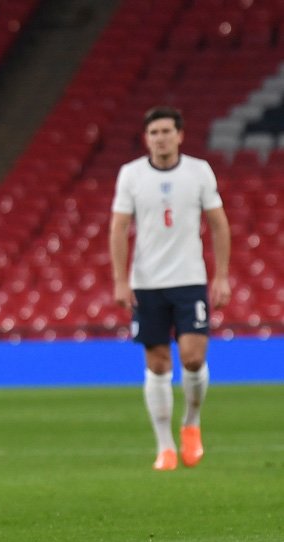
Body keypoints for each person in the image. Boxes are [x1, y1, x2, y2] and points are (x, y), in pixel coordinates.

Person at [109, 106, 231, 471]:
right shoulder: (131, 174)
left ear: (180, 135)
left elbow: (219, 225)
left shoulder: (198, 172)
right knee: (158, 362)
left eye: (165, 131)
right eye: (153, 133)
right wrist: (120, 279)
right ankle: (164, 447)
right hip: (147, 283)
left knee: (193, 357)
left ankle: (191, 423)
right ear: (146, 138)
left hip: (190, 279)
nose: (159, 138)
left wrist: (221, 275)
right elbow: (118, 228)